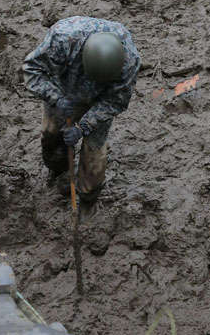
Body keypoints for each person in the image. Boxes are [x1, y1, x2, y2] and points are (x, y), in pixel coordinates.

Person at [23, 17, 141, 201]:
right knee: (52, 136)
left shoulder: (129, 62)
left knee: (94, 164)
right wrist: (57, 99)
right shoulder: (63, 39)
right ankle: (59, 171)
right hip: (63, 90)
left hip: (100, 100)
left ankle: (88, 197)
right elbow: (32, 70)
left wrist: (82, 127)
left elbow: (115, 102)